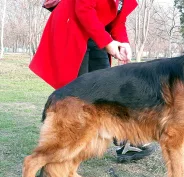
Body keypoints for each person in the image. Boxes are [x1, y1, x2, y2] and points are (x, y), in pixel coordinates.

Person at [30, 0, 155, 162]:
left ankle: (125, 143)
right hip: (72, 28)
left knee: (110, 88)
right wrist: (108, 42)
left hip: (97, 33)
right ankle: (59, 146)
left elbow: (118, 21)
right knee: (76, 96)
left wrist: (123, 42)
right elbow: (83, 9)